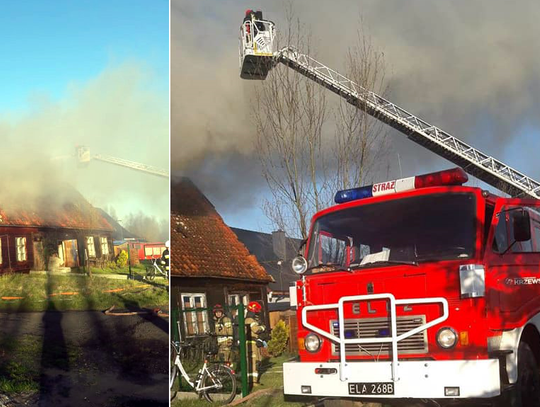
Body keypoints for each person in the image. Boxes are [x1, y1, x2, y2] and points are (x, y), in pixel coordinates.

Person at [245, 301, 267, 384]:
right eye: (257, 312)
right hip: (251, 343)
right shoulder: (249, 320)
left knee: (257, 361)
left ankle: (254, 380)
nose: (258, 314)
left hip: (255, 343)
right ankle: (252, 382)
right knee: (253, 362)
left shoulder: (252, 319)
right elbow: (256, 329)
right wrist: (263, 327)